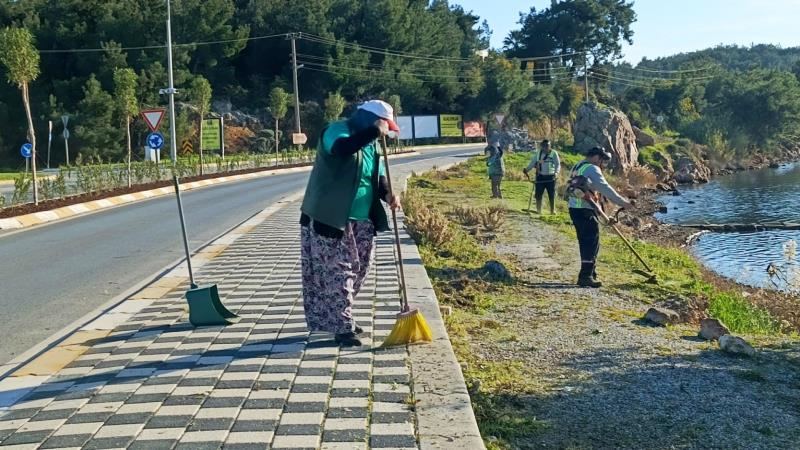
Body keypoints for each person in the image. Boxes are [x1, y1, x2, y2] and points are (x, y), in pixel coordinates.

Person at [299, 99, 401, 347]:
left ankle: (337, 316)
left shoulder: (372, 145)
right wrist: (375, 131)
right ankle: (343, 326)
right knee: (338, 272)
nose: (386, 130)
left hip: (363, 218)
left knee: (360, 270)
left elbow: (375, 174)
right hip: (330, 217)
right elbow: (342, 149)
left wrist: (387, 193)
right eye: (383, 124)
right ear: (368, 118)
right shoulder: (337, 131)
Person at [567, 146, 632, 288]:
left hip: (574, 208)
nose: (603, 165)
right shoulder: (592, 168)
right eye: (603, 161)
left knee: (587, 242)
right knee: (590, 242)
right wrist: (623, 203)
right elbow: (605, 188)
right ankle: (585, 277)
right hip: (585, 210)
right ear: (597, 157)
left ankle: (591, 271)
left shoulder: (578, 165)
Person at [523, 139, 560, 214]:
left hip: (550, 178)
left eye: (548, 146)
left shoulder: (554, 153)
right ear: (542, 147)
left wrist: (556, 173)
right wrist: (527, 169)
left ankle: (552, 211)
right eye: (544, 146)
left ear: (550, 146)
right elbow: (533, 163)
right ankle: (538, 210)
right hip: (540, 177)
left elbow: (558, 164)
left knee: (551, 194)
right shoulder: (538, 153)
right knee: (538, 194)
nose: (546, 148)